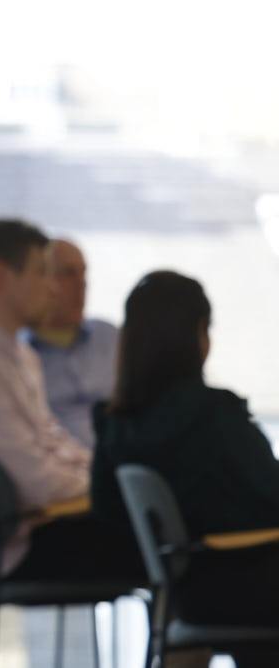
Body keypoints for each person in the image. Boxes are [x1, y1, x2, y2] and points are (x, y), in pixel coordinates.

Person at [0, 219, 139, 581]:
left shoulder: (16, 356)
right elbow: (38, 481)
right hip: (29, 548)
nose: (53, 288)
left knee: (171, 530)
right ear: (1, 276)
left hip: (55, 527)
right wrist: (113, 485)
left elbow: (54, 444)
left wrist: (105, 477)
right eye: (41, 272)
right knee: (173, 540)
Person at [90, 271, 279, 656]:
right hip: (244, 585)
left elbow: (106, 509)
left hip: (185, 593)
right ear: (197, 336)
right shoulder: (214, 417)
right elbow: (271, 494)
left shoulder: (116, 425)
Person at [25, 238, 119, 447]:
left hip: (123, 459)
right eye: (68, 273)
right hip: (59, 462)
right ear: (41, 280)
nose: (81, 283)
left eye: (83, 273)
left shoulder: (111, 337)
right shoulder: (17, 355)